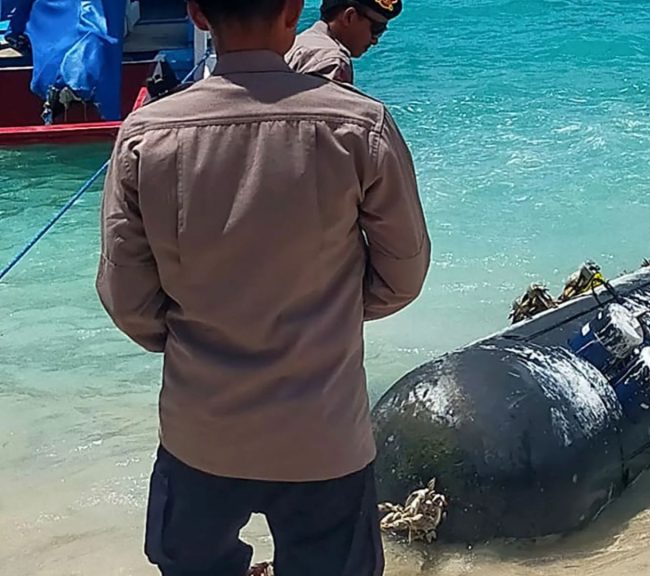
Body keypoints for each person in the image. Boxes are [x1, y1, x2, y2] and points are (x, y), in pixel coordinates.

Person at [95, 0, 430, 571]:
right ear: (294, 9)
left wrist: (190, 337)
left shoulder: (146, 134)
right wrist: (332, 312)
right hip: (323, 431)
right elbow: (403, 274)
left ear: (198, 15)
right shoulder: (359, 125)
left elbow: (126, 295)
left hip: (200, 428)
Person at [284, 0, 401, 84]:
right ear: (349, 17)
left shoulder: (299, 43)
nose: (375, 40)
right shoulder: (332, 62)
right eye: (377, 29)